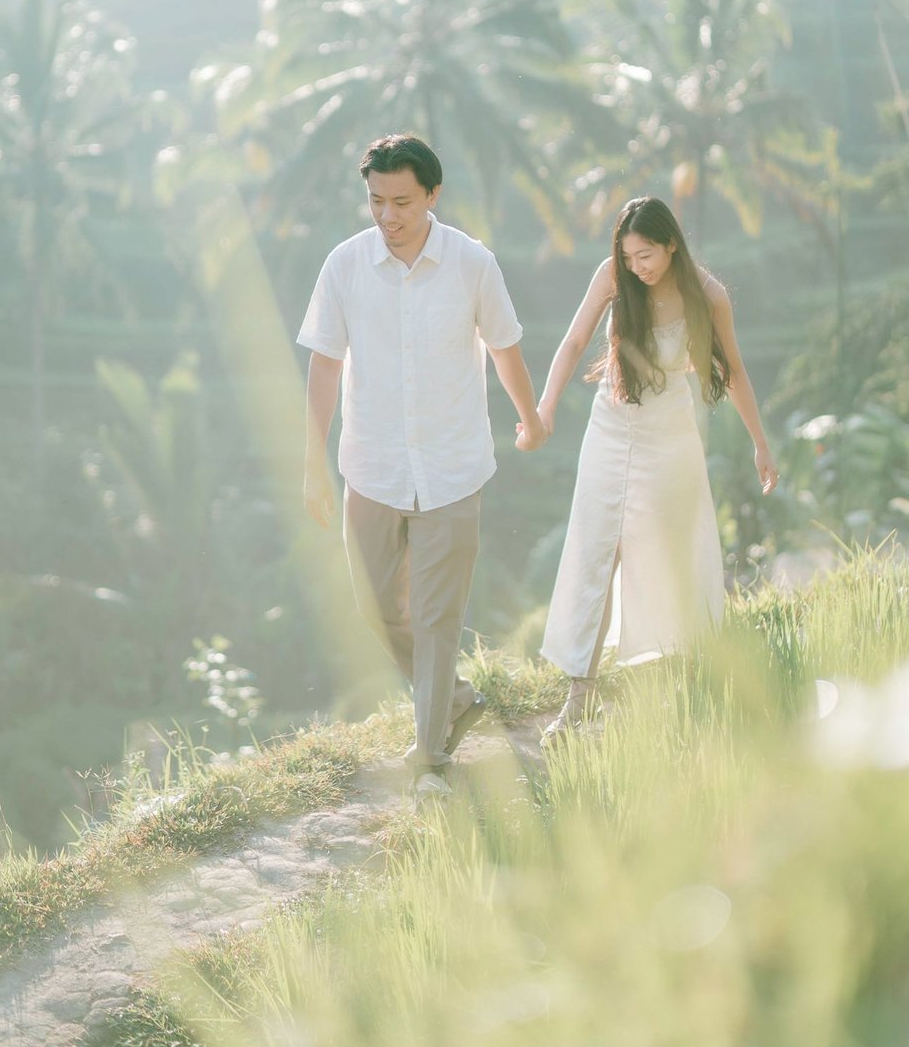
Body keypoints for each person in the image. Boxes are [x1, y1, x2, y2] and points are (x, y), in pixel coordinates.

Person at [298, 133, 548, 802]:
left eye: (402, 201)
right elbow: (324, 363)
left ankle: (430, 757)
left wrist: (530, 417)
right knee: (375, 608)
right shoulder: (345, 265)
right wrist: (313, 459)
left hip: (452, 467)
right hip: (371, 468)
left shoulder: (472, 263)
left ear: (432, 195)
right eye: (376, 201)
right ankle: (457, 699)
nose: (388, 216)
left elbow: (505, 347)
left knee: (437, 617)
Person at [536, 195, 778, 738]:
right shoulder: (613, 276)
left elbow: (733, 370)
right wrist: (546, 404)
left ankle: (676, 689)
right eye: (627, 256)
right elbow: (575, 340)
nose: (636, 267)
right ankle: (579, 697)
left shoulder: (708, 295)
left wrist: (760, 443)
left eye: (646, 255)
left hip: (669, 440)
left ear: (671, 244)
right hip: (609, 429)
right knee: (599, 551)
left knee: (668, 559)